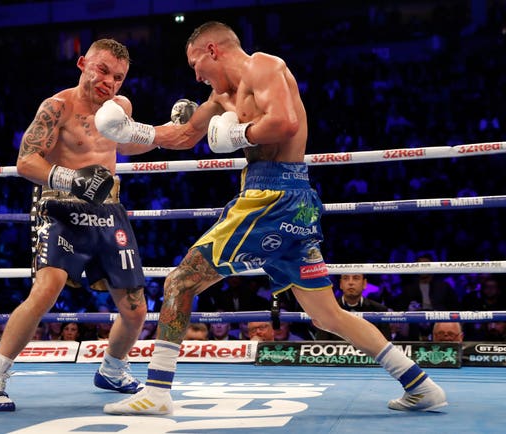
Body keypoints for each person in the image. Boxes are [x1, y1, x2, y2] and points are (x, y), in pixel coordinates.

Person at [95, 21, 447, 414]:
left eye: (196, 63)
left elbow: (285, 123)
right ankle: (420, 384)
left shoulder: (264, 67)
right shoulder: (221, 95)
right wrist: (129, 130)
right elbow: (182, 136)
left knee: (180, 281)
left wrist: (237, 134)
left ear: (213, 50)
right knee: (327, 314)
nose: (195, 75)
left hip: (272, 196)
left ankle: (158, 392)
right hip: (287, 202)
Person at [0, 38, 183, 412]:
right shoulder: (57, 107)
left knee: (135, 309)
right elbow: (26, 161)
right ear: (83, 63)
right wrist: (73, 179)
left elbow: (127, 143)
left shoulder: (121, 107)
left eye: (117, 77)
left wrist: (169, 128)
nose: (109, 82)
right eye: (102, 71)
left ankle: (113, 369)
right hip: (59, 206)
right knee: (47, 288)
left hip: (107, 209)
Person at [315, 274, 392, 340]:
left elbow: (386, 346)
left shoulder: (379, 310)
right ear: (341, 284)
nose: (350, 283)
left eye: (356, 278)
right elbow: (321, 344)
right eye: (346, 278)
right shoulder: (328, 309)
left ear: (364, 283)